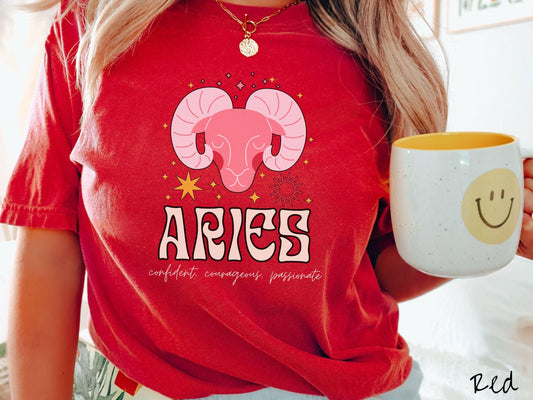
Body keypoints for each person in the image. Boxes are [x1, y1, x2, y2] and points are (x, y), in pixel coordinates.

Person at [1, 0, 532, 399]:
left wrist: (486, 231)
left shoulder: (385, 56)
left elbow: (376, 275)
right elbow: (48, 244)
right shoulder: (89, 34)